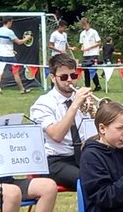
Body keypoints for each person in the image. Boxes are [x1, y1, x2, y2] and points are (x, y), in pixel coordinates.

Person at [29, 53, 96, 190]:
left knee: (114, 173)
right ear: (53, 78)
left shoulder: (82, 100)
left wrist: (96, 114)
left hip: (84, 155)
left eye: (73, 75)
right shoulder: (43, 104)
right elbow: (56, 135)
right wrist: (74, 105)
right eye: (64, 77)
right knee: (89, 181)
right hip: (56, 160)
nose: (70, 80)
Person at [0, 17, 31, 95]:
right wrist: (27, 38)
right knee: (16, 73)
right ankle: (22, 89)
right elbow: (19, 42)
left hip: (1, 54)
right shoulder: (9, 32)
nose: (11, 24)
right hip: (9, 56)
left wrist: (11, 49)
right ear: (8, 22)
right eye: (11, 22)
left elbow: (3, 43)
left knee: (0, 72)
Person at [78, 16, 103, 91]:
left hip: (93, 53)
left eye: (85, 25)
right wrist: (82, 48)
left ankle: (97, 84)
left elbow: (98, 43)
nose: (84, 27)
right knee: (86, 69)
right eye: (83, 25)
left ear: (88, 24)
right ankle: (87, 85)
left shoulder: (93, 32)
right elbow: (82, 43)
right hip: (86, 54)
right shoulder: (82, 33)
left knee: (92, 69)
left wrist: (89, 48)